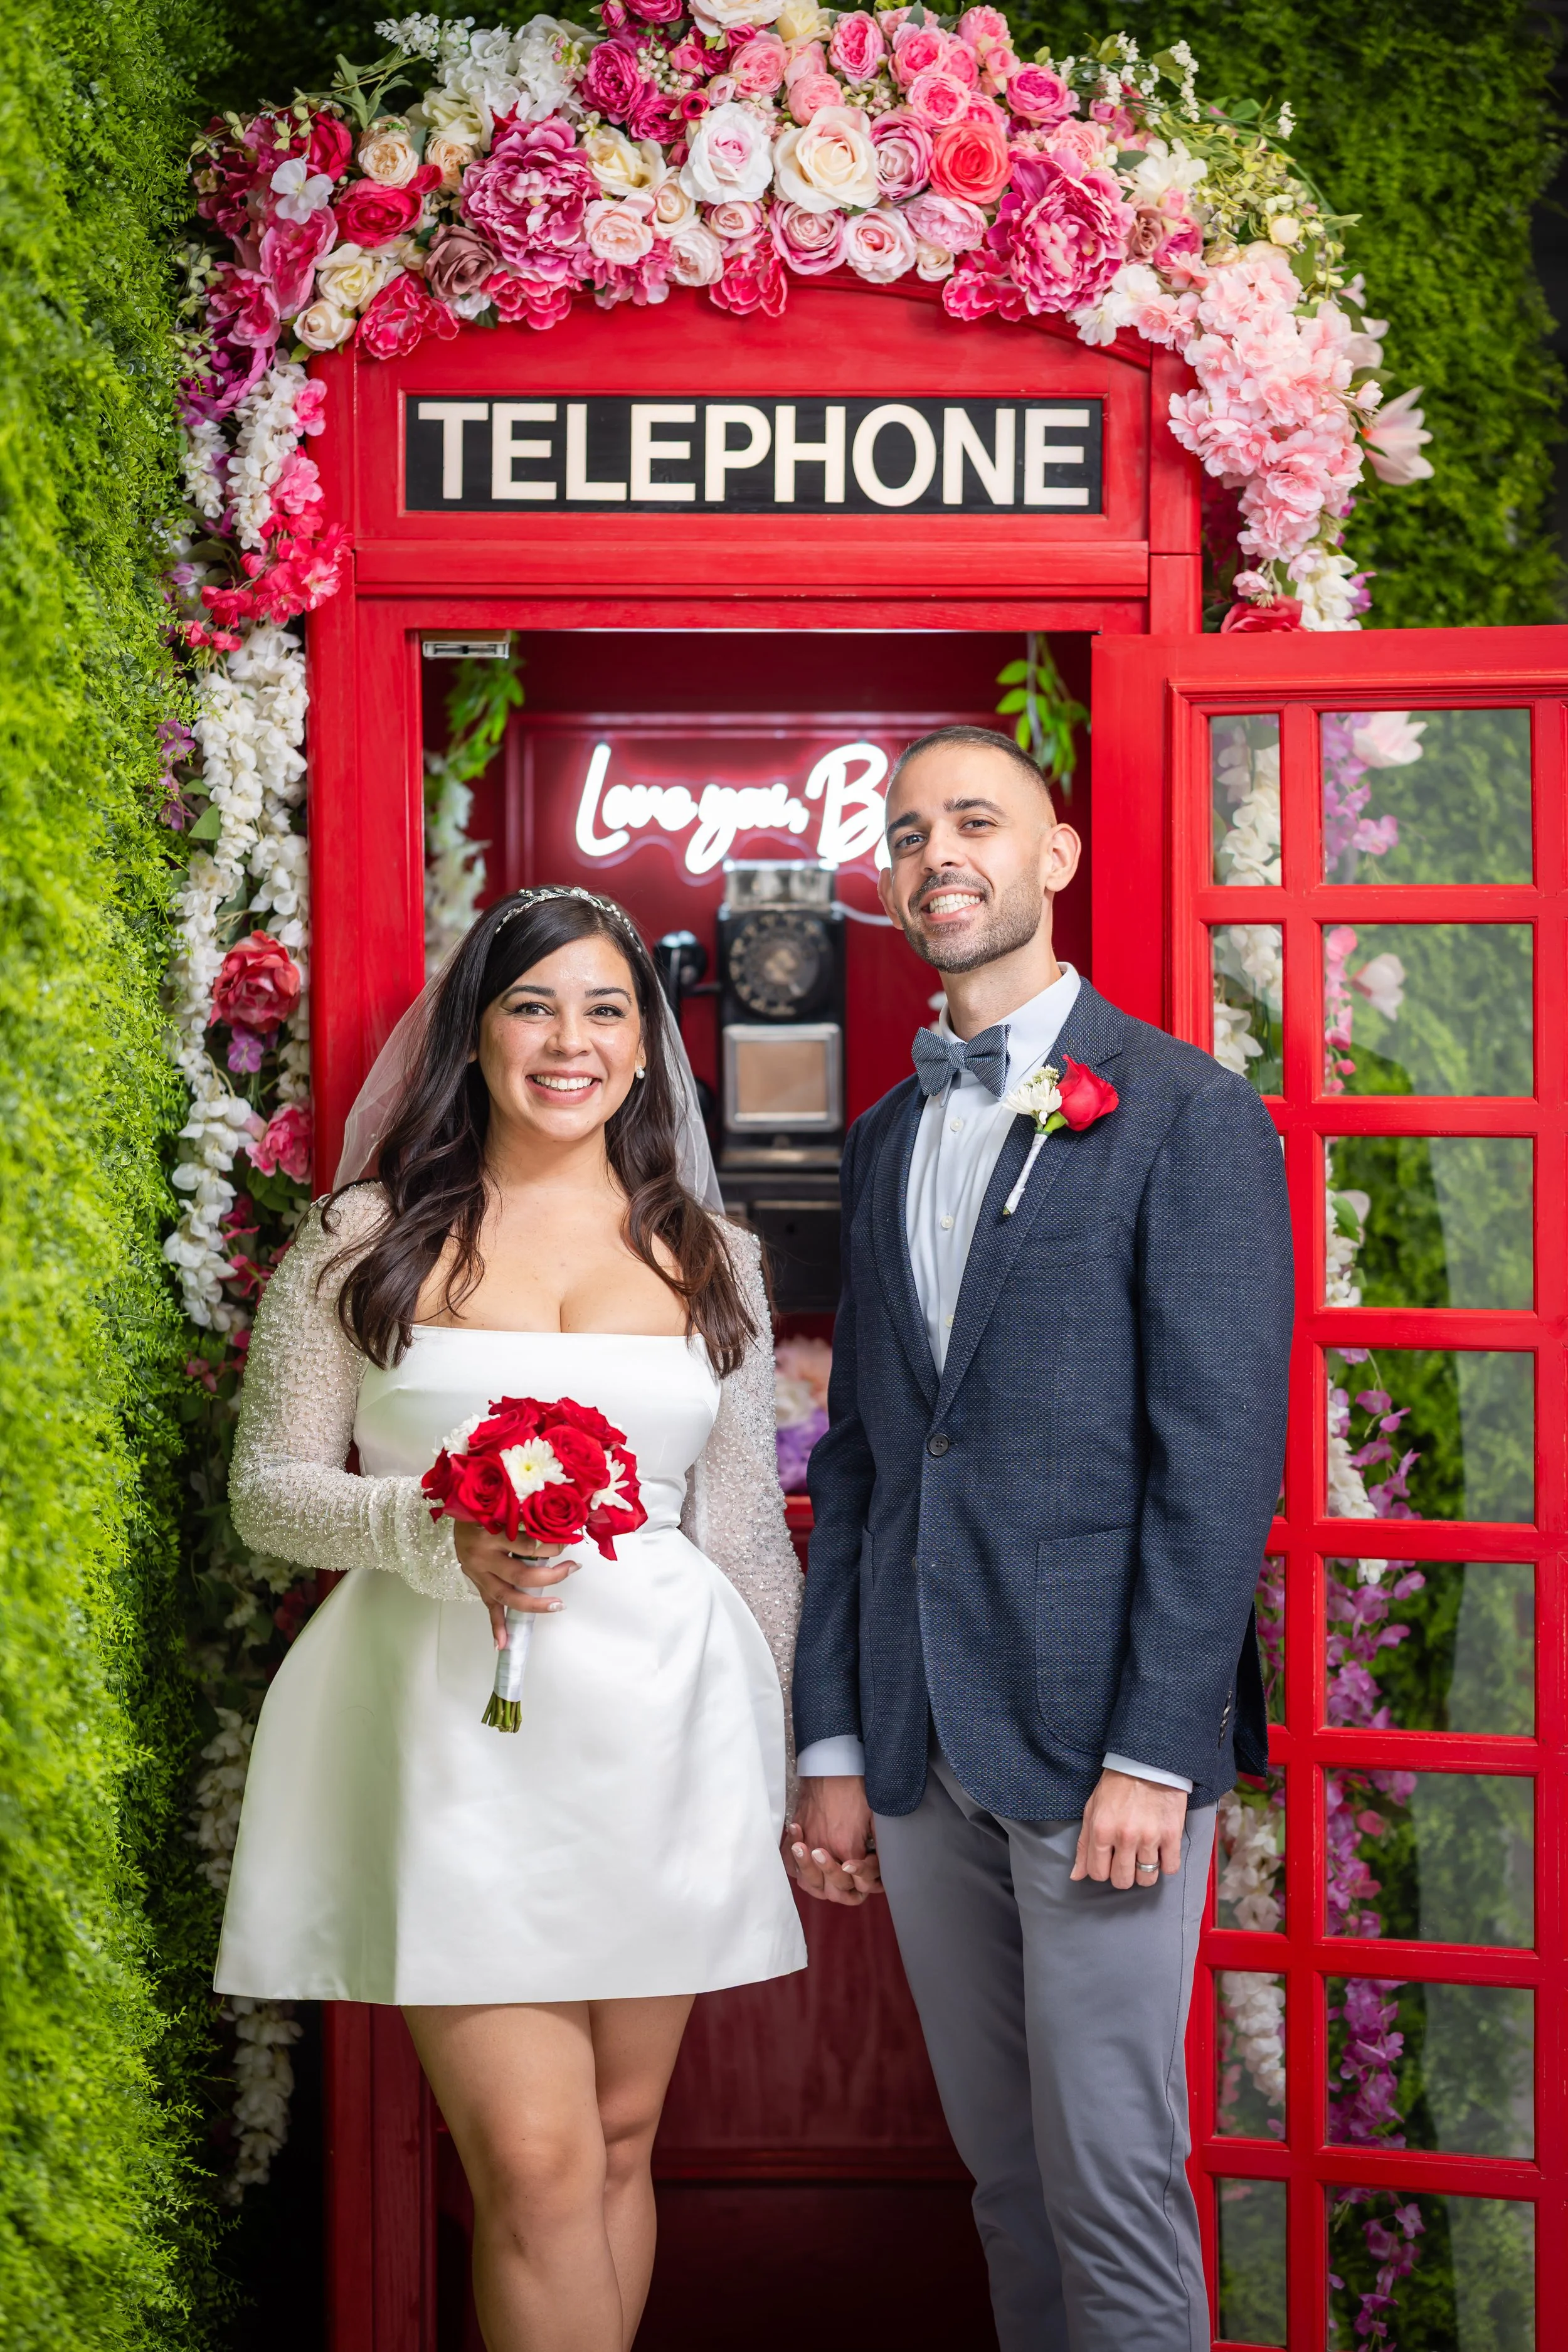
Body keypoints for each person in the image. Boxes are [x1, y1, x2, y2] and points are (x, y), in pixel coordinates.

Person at [216, 884, 805, 2352]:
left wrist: (787, 1764)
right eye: (533, 1006)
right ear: (472, 1036)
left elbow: (736, 1528)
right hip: (446, 1736)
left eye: (606, 1009)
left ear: (644, 1041)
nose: (570, 1040)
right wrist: (428, 1528)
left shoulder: (709, 1250)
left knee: (614, 2139)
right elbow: (269, 1492)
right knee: (535, 2165)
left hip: (664, 1731)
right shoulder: (367, 1237)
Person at [788, 726, 1293, 2352]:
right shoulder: (877, 1140)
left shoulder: (1181, 1114)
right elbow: (865, 1458)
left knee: (1113, 2176)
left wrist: (1158, 1747)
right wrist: (835, 1737)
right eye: (909, 828)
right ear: (885, 878)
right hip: (925, 1746)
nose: (939, 850)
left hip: (1101, 1755)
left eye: (977, 821)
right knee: (1003, 2179)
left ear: (1052, 858)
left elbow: (1216, 1465)